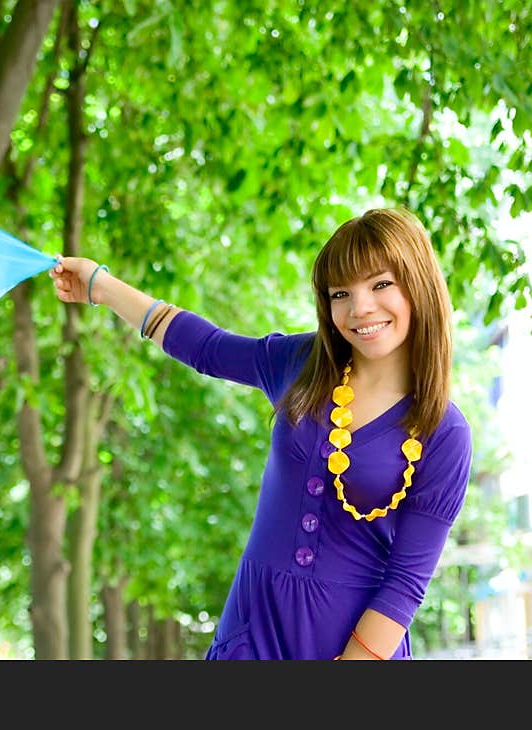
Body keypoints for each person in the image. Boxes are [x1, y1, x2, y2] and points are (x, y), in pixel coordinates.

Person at [49, 207, 472, 660]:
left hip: (355, 649)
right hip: (251, 634)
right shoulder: (301, 365)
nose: (360, 308)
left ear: (419, 284)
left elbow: (405, 582)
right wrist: (100, 286)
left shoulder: (444, 432)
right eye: (340, 293)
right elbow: (205, 347)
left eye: (381, 284)